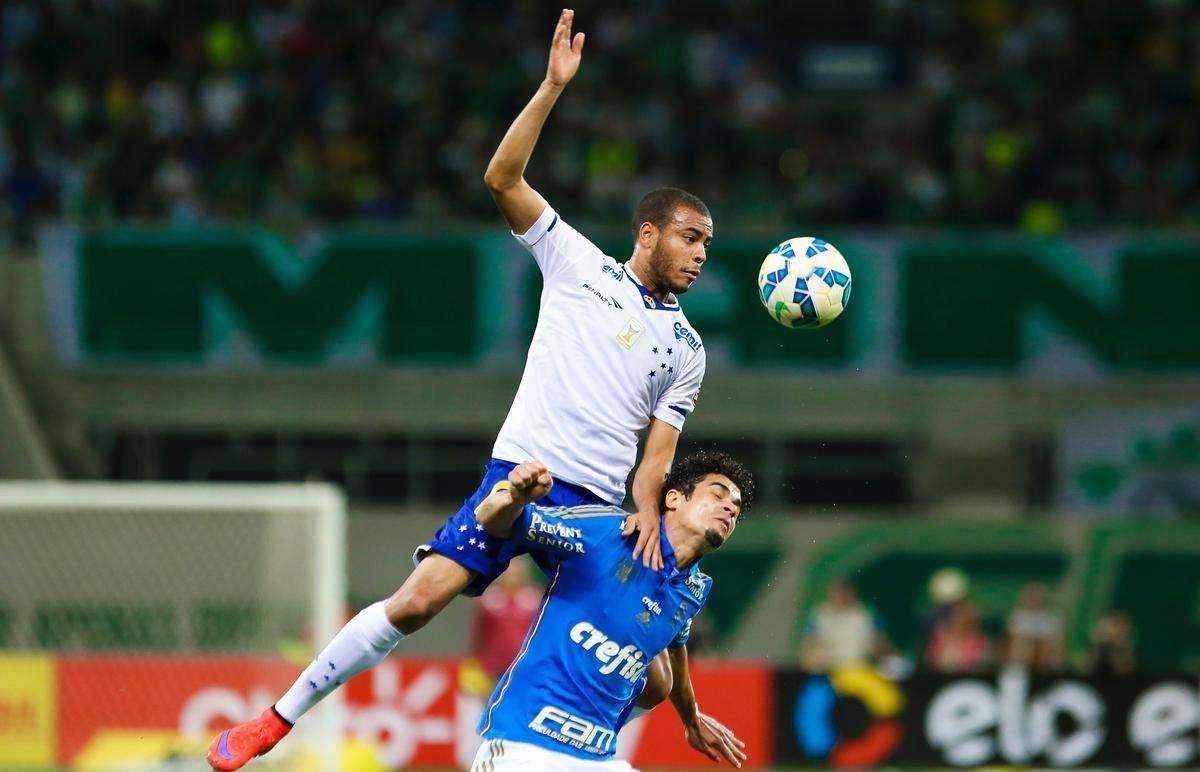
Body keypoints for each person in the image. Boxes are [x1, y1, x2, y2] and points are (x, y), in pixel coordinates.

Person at [208, 9, 717, 769]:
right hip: (520, 474)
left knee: (651, 681)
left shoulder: (688, 348)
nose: (701, 254)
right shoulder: (578, 265)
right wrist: (551, 87)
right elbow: (501, 179)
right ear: (648, 233)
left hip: (596, 510)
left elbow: (658, 458)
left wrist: (646, 517)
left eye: (707, 243)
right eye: (690, 237)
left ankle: (554, 740)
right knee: (418, 601)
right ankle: (277, 720)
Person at [469, 451, 753, 770]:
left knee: (661, 680)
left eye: (736, 507)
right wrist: (512, 495)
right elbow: (489, 517)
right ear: (673, 499)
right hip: (524, 746)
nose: (730, 508)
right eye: (717, 494)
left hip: (598, 758)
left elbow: (676, 646)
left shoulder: (694, 588)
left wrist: (691, 717)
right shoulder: (608, 532)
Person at [799, 579, 887, 671]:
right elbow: (808, 645)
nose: (840, 597)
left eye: (844, 593)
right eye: (836, 593)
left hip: (857, 668)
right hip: (826, 668)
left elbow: (879, 643)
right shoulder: (819, 615)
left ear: (852, 594)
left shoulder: (865, 615)